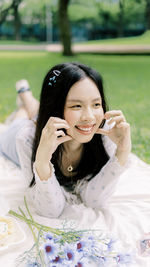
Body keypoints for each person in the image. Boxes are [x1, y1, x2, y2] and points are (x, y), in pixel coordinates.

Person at [0, 62, 131, 218]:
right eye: (76, 106)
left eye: (96, 104)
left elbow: (95, 200)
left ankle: (27, 98)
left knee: (36, 112)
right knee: (20, 120)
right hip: (20, 135)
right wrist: (42, 161)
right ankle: (25, 96)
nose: (89, 117)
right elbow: (50, 210)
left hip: (50, 119)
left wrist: (122, 151)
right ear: (55, 108)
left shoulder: (106, 131)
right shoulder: (26, 138)